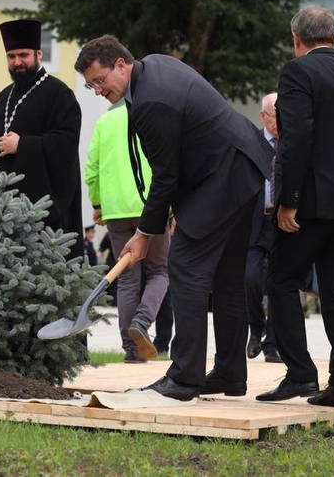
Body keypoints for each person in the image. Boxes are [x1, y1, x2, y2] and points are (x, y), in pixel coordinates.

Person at [75, 35, 272, 400]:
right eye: (91, 86)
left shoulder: (151, 101)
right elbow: (181, 157)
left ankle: (184, 377)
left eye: (100, 81)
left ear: (121, 64)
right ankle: (229, 372)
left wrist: (146, 233)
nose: (98, 91)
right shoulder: (155, 66)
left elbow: (166, 176)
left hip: (223, 175)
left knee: (185, 268)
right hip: (241, 166)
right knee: (227, 277)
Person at [257, 6, 334, 410]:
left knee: (282, 281)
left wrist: (287, 200)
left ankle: (301, 373)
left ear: (296, 38)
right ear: (333, 36)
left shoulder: (297, 72)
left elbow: (295, 138)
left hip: (311, 203)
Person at [0, 19, 83, 259]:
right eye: (11, 56)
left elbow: (66, 143)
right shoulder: (3, 97)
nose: (17, 62)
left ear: (38, 54)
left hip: (41, 218)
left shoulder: (59, 94)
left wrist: (23, 144)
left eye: (23, 55)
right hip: (0, 219)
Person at [85, 102, 170, 363]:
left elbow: (92, 169)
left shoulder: (105, 121)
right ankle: (142, 322)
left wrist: (98, 203)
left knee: (128, 277)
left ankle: (131, 348)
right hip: (150, 205)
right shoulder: (154, 115)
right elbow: (167, 163)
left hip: (116, 210)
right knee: (159, 270)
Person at [245, 93, 282, 364]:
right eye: (273, 115)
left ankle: (273, 343)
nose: (278, 121)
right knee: (251, 278)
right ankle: (255, 327)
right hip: (255, 219)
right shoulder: (252, 142)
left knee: (280, 283)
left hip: (282, 221)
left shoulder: (292, 143)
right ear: (262, 116)